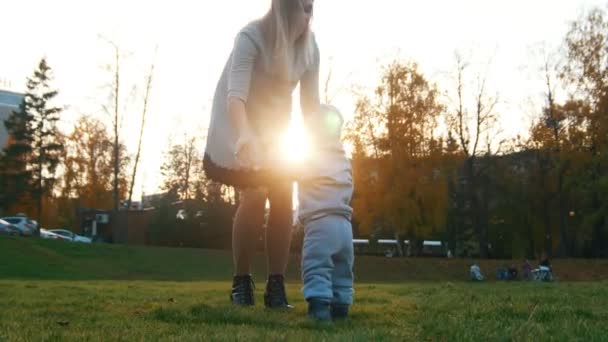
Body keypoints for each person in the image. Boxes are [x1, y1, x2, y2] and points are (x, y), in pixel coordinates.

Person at [203, 0, 320, 309]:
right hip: (238, 122)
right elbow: (235, 97)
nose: (307, 17)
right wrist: (246, 135)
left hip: (276, 128)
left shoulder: (309, 49)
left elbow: (311, 108)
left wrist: (321, 147)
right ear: (282, 7)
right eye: (302, 8)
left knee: (283, 195)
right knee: (254, 195)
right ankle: (240, 283)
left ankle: (276, 286)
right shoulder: (250, 37)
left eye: (311, 8)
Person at [297, 105, 354, 321]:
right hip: (345, 225)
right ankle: (341, 309)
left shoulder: (311, 157)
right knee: (342, 270)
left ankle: (319, 309)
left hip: (320, 222)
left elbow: (289, 171)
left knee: (316, 265)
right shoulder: (344, 161)